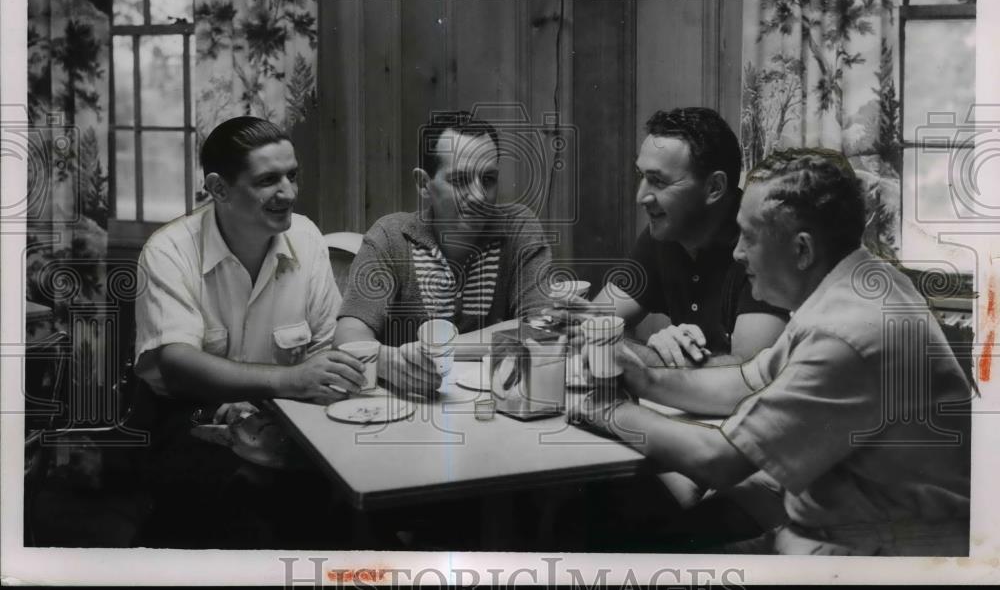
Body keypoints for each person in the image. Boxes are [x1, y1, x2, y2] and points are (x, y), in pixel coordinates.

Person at [573, 149, 971, 555]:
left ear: (802, 250)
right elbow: (747, 381)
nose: (737, 253)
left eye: (749, 237)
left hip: (878, 556)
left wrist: (599, 410)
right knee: (642, 532)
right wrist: (642, 375)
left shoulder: (846, 333)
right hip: (839, 517)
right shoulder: (862, 282)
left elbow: (721, 460)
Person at [133, 116, 365, 547]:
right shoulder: (168, 250)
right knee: (244, 511)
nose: (289, 193)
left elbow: (324, 345)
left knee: (340, 501)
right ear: (219, 189)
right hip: (187, 417)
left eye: (292, 176)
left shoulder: (307, 238)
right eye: (268, 180)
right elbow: (178, 364)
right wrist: (290, 380)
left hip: (283, 411)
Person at [333, 110, 553, 396]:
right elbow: (347, 337)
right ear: (424, 184)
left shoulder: (518, 227)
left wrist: (440, 348)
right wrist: (387, 362)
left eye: (488, 179)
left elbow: (544, 328)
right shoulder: (391, 237)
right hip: (408, 410)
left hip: (496, 409)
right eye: (460, 180)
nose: (478, 196)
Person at [559, 107, 787, 368]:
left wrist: (630, 352)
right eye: (641, 177)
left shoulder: (759, 243)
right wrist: (585, 328)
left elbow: (746, 376)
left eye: (658, 181)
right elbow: (591, 326)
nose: (640, 197)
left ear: (714, 188)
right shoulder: (666, 232)